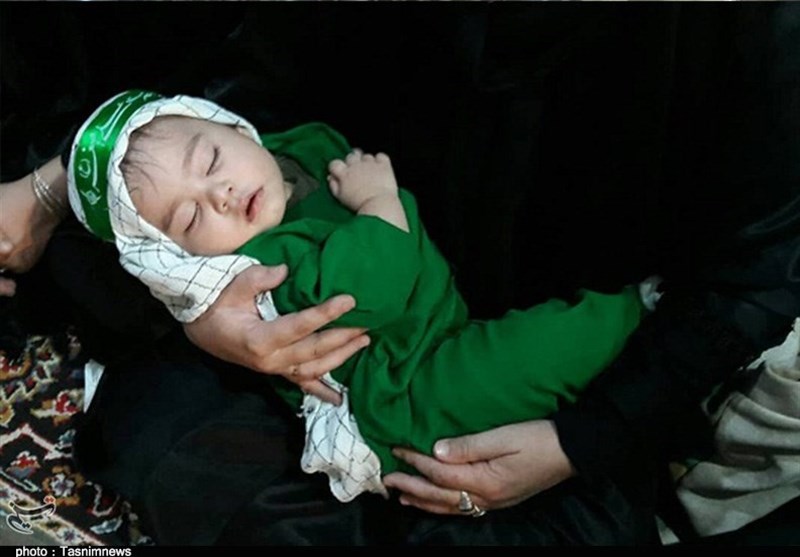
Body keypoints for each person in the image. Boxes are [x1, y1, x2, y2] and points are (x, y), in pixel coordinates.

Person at [3, 2, 799, 546]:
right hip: (358, 333)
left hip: (575, 369)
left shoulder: (751, 34)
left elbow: (754, 281)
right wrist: (205, 305)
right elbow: (236, 101)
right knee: (159, 433)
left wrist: (580, 440)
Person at [66, 89, 648, 504]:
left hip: (437, 333)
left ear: (234, 127)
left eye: (212, 161)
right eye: (191, 218)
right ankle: (645, 314)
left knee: (529, 347)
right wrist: (378, 202)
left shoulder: (298, 150)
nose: (219, 194)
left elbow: (319, 145)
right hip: (403, 396)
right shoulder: (262, 268)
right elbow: (373, 290)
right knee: (552, 345)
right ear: (179, 260)